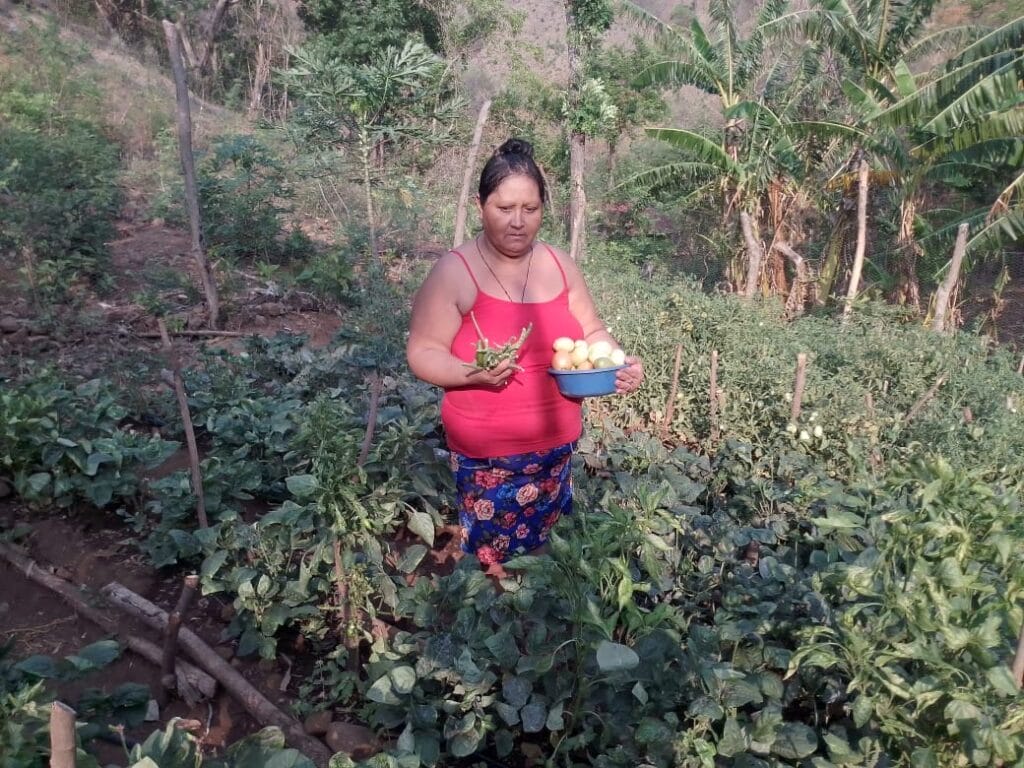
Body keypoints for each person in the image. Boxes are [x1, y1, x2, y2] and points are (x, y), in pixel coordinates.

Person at [406, 138, 643, 573]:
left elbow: (592, 329)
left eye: (530, 209)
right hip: (487, 460)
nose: (517, 222)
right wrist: (472, 373)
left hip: (555, 449)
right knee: (495, 564)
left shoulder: (560, 264)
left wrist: (617, 362)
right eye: (504, 208)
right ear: (481, 205)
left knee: (545, 558)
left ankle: (538, 631)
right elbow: (422, 352)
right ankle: (496, 630)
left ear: (543, 208)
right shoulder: (454, 272)